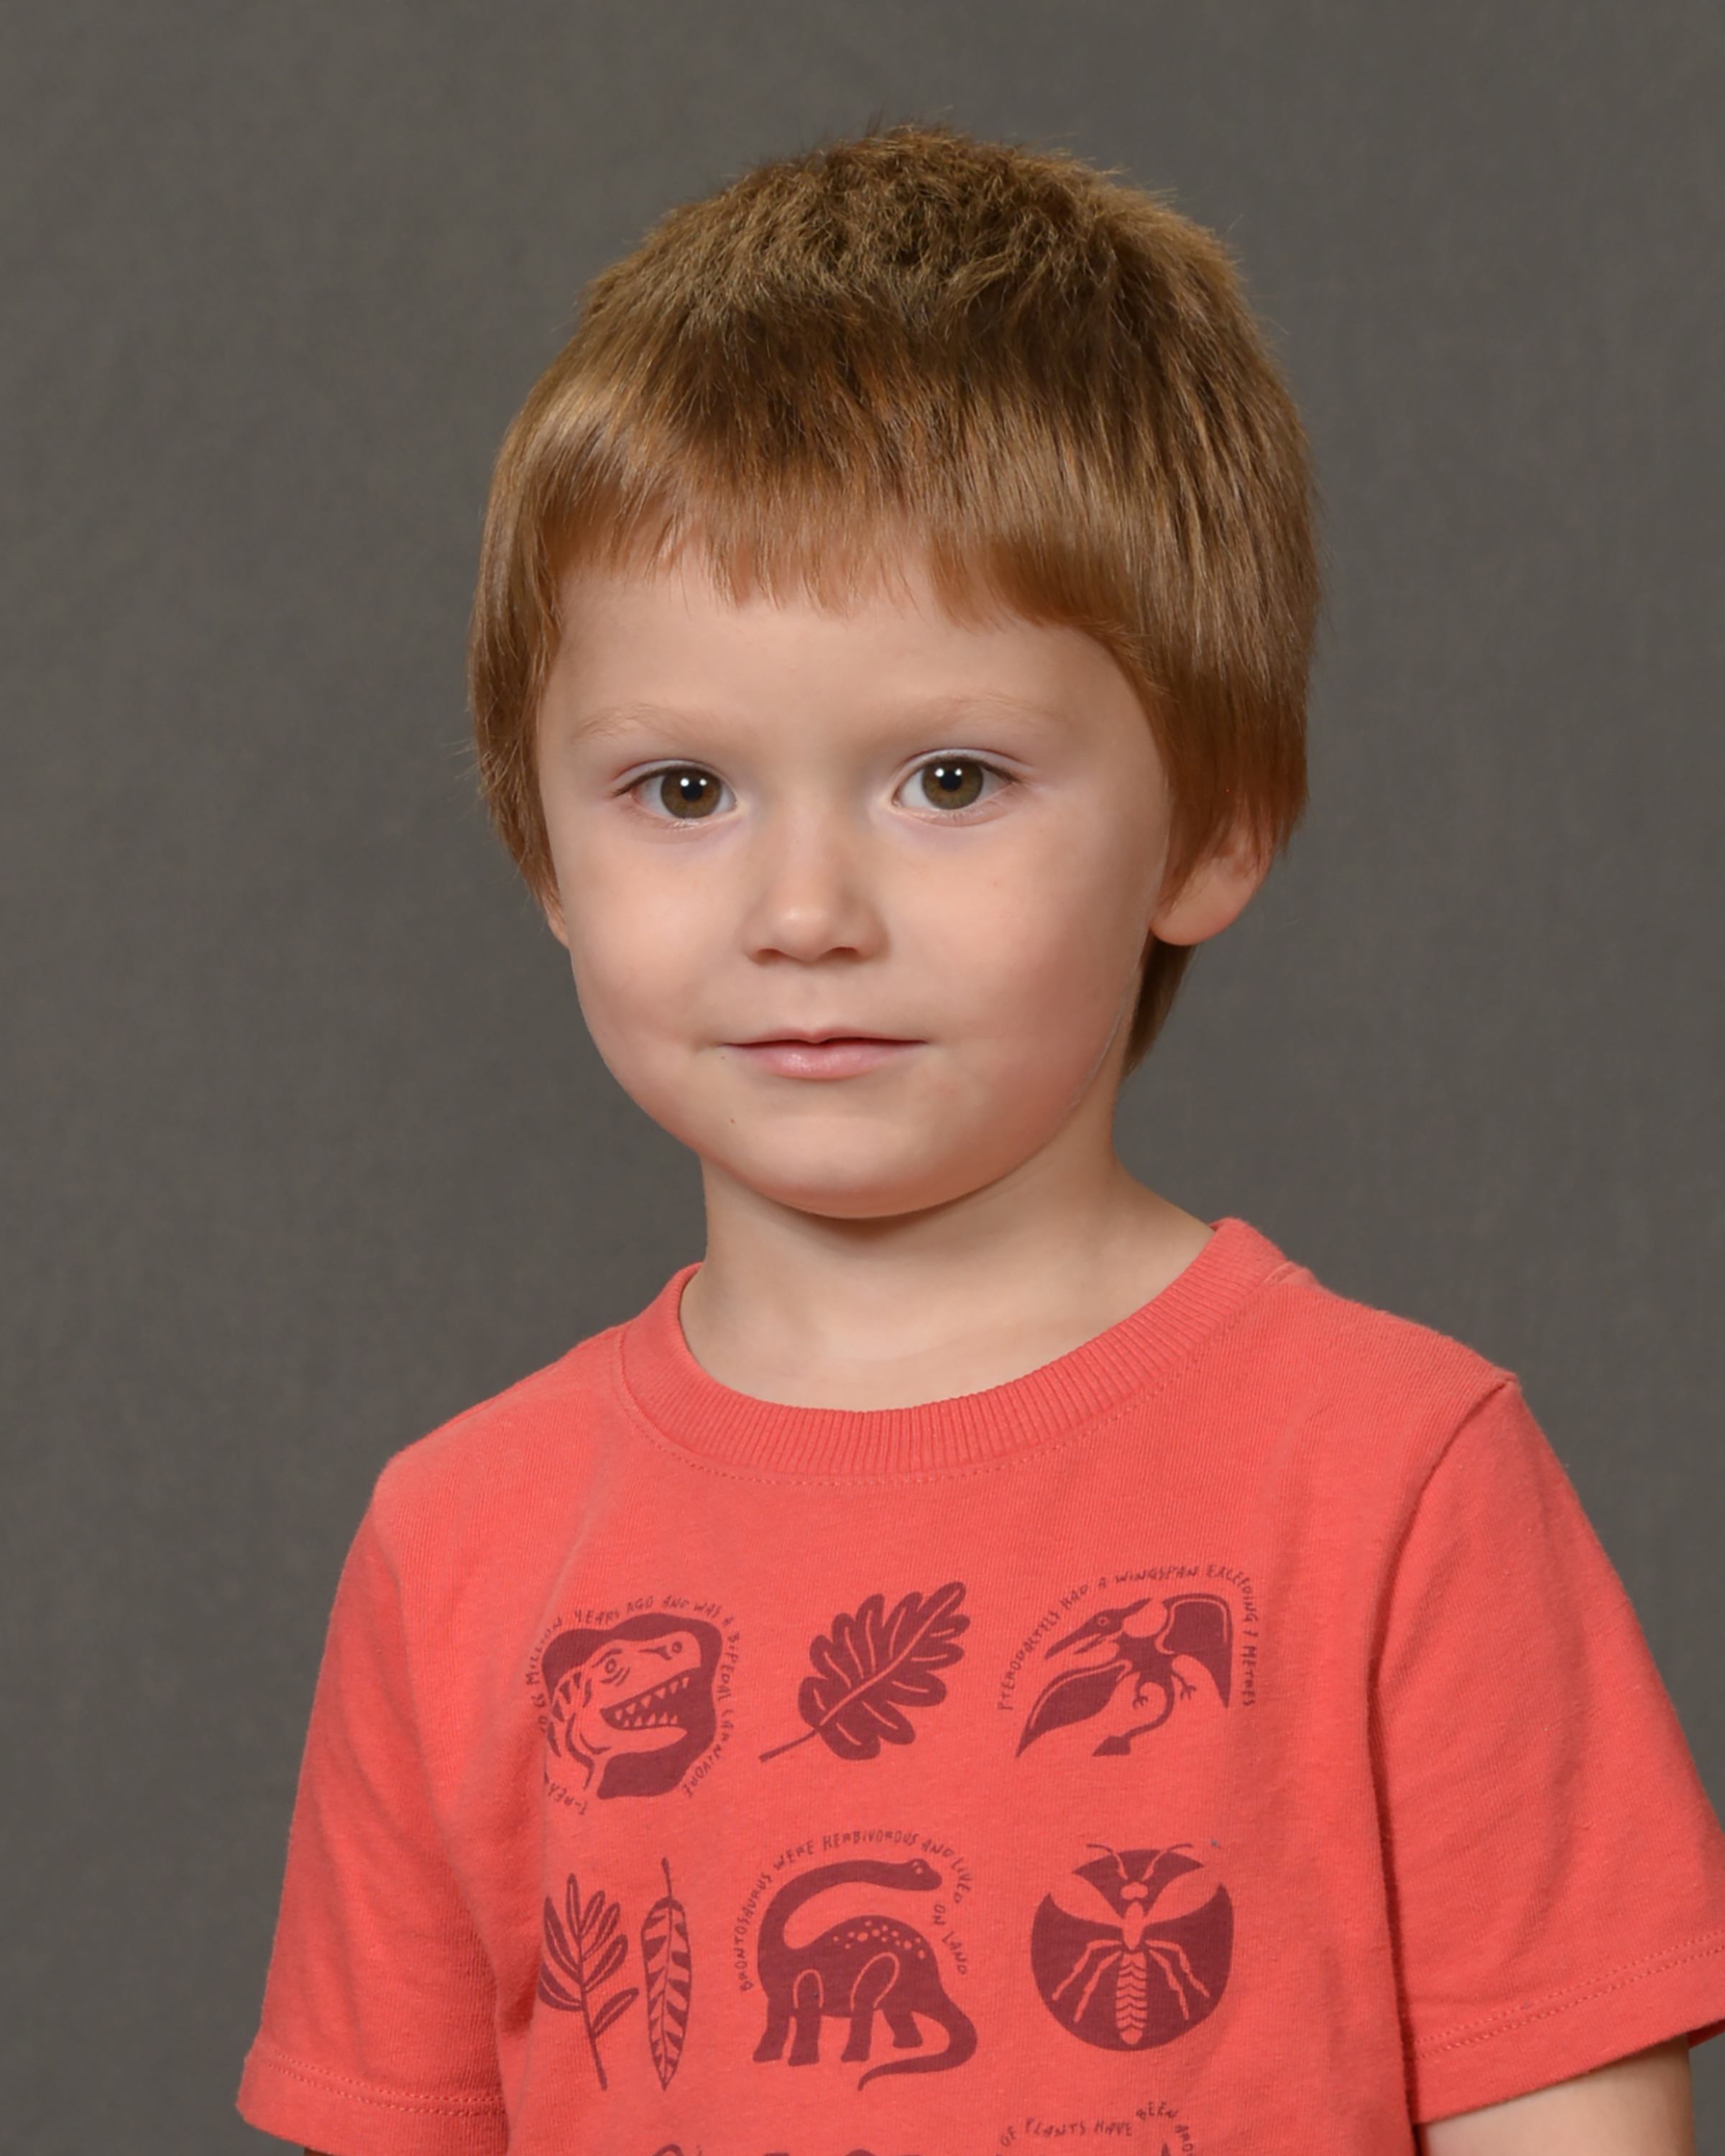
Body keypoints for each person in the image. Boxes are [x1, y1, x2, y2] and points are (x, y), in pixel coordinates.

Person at [237, 126, 1725, 2156]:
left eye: (948, 778)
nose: (803, 910)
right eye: (684, 790)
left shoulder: (1400, 1487)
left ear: (1212, 823)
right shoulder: (455, 1546)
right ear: (542, 850)